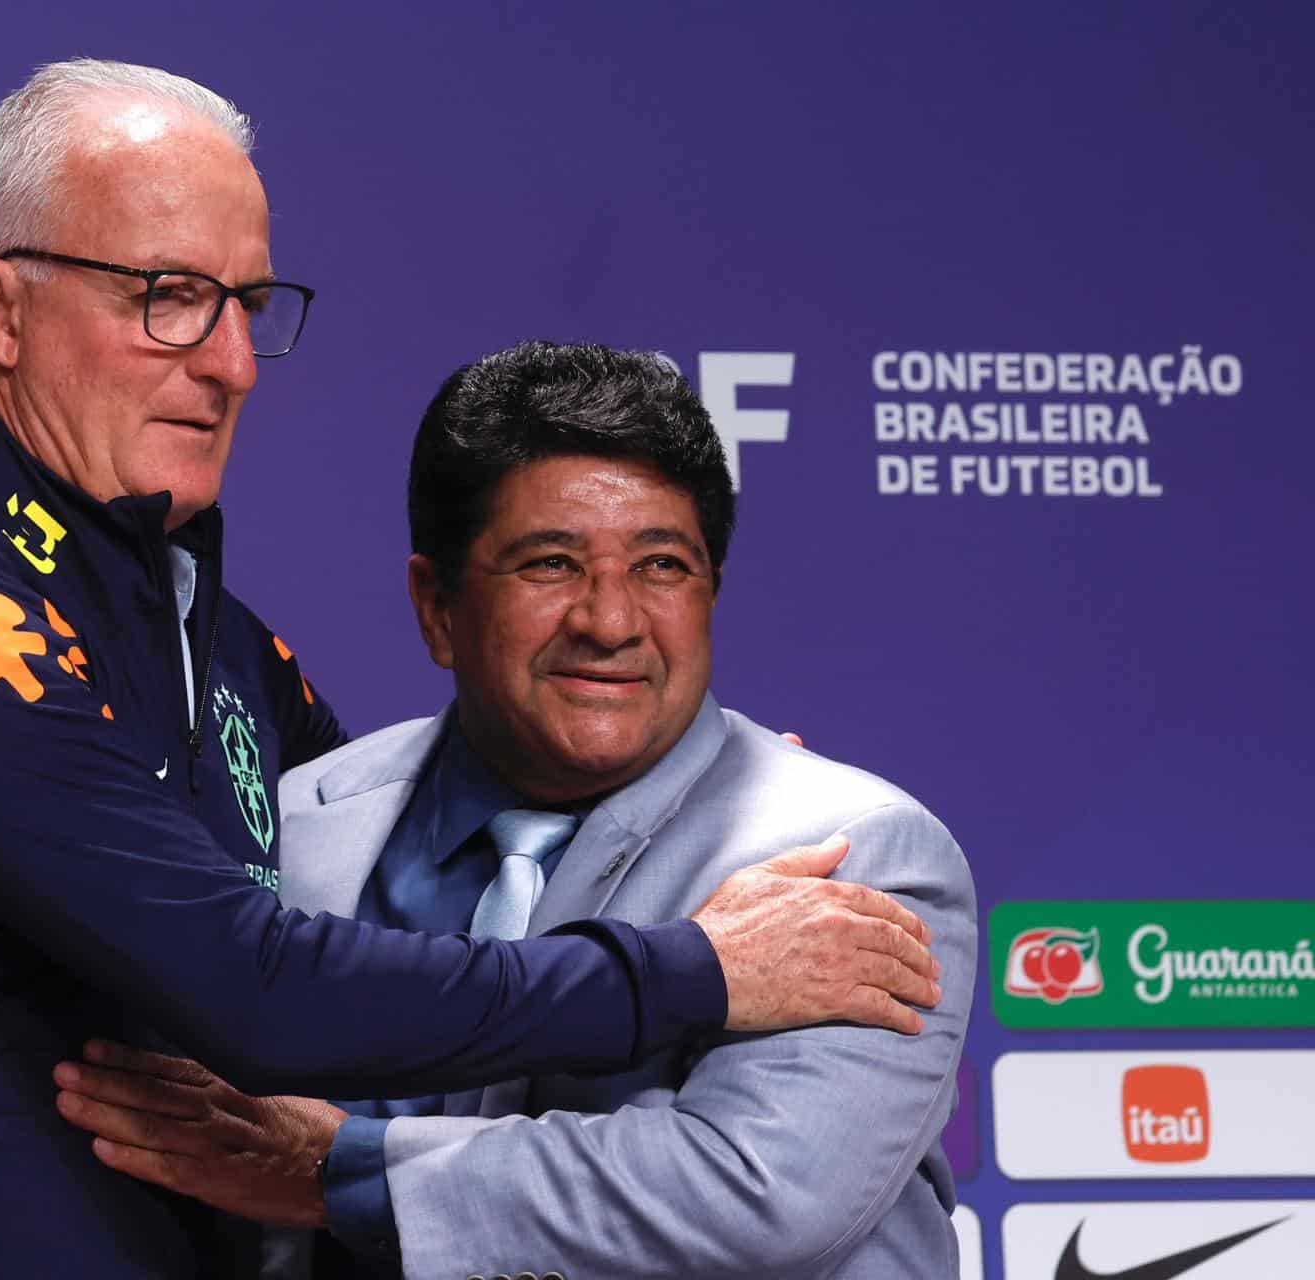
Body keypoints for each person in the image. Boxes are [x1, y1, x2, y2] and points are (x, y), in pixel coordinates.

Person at [0, 64, 941, 1279]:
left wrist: (718, 792)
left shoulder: (210, 632)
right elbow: (261, 989)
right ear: (0, 310)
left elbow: (401, 867)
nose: (234, 362)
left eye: (248, 304)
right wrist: (698, 968)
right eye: (169, 297)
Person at [52, 342, 976, 1278]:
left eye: (662, 567)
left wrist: (335, 1170)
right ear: (436, 607)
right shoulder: (293, 825)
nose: (610, 621)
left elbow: (753, 1190)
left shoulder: (855, 854)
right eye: (550, 564)